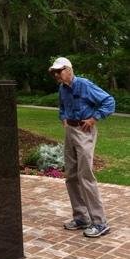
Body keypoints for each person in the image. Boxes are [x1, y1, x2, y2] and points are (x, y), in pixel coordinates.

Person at [49, 57, 115, 238]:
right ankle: (81, 217)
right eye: (55, 72)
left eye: (59, 70)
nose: (57, 74)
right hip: (70, 130)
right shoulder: (62, 89)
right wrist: (63, 117)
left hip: (84, 131)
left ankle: (100, 222)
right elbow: (62, 107)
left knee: (85, 176)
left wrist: (94, 118)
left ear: (69, 69)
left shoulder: (84, 85)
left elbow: (109, 101)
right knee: (71, 175)